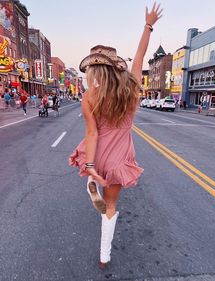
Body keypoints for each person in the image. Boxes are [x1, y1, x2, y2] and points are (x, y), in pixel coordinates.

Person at [69, 2, 162, 269]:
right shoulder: (130, 90)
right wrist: (148, 25)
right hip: (120, 156)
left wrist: (89, 165)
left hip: (97, 154)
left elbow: (91, 132)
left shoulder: (89, 96)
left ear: (94, 72)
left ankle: (91, 182)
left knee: (94, 170)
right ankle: (104, 256)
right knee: (110, 207)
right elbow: (140, 57)